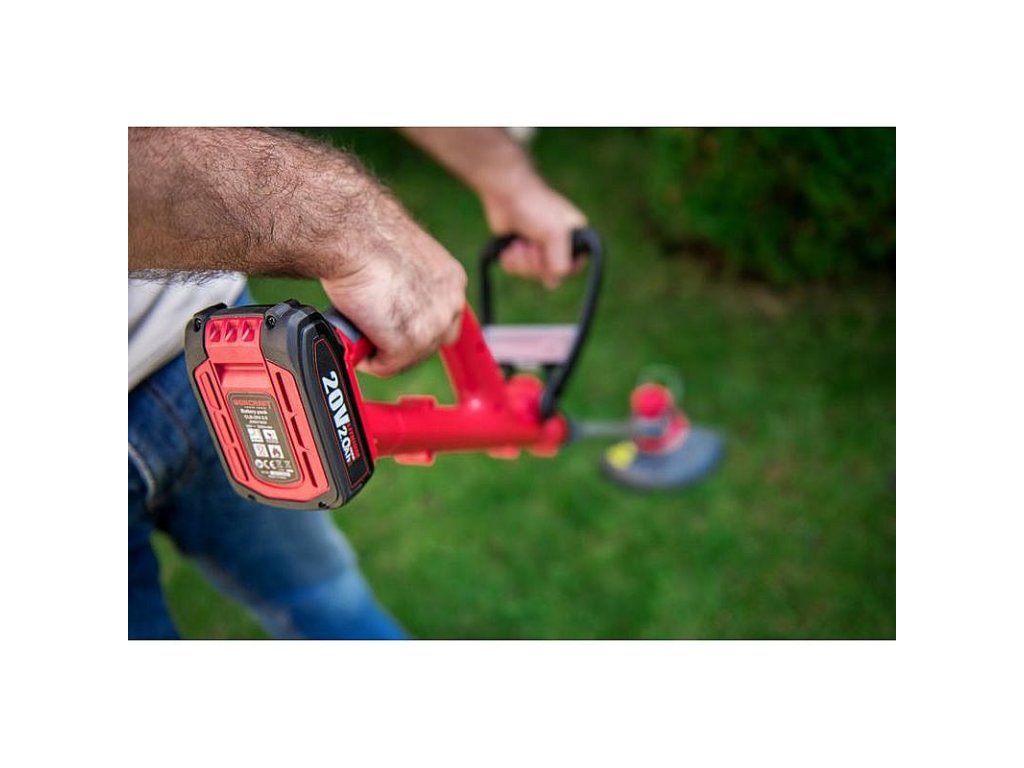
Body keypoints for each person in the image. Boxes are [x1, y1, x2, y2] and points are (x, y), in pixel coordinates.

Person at [128, 127, 587, 639]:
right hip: (221, 361)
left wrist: (511, 184)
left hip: (209, 351)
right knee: (324, 599)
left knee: (327, 597)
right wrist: (356, 231)